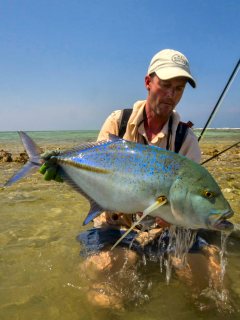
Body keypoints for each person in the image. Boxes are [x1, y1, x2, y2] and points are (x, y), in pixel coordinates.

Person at [41, 49, 223, 310]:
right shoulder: (118, 121)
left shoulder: (186, 140)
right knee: (105, 299)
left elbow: (190, 197)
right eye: (165, 85)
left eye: (179, 89)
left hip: (166, 229)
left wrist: (172, 215)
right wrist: (67, 170)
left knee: (210, 291)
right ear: (148, 82)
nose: (171, 95)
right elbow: (97, 171)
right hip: (117, 224)